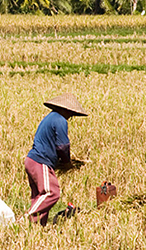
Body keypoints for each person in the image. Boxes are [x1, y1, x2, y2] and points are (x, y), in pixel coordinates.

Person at [24, 93, 88, 226]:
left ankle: (36, 228)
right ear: (66, 109)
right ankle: (26, 219)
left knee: (39, 197)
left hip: (32, 161)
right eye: (70, 113)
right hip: (41, 161)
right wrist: (66, 162)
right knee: (51, 193)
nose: (70, 117)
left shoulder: (50, 118)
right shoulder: (60, 120)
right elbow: (63, 145)